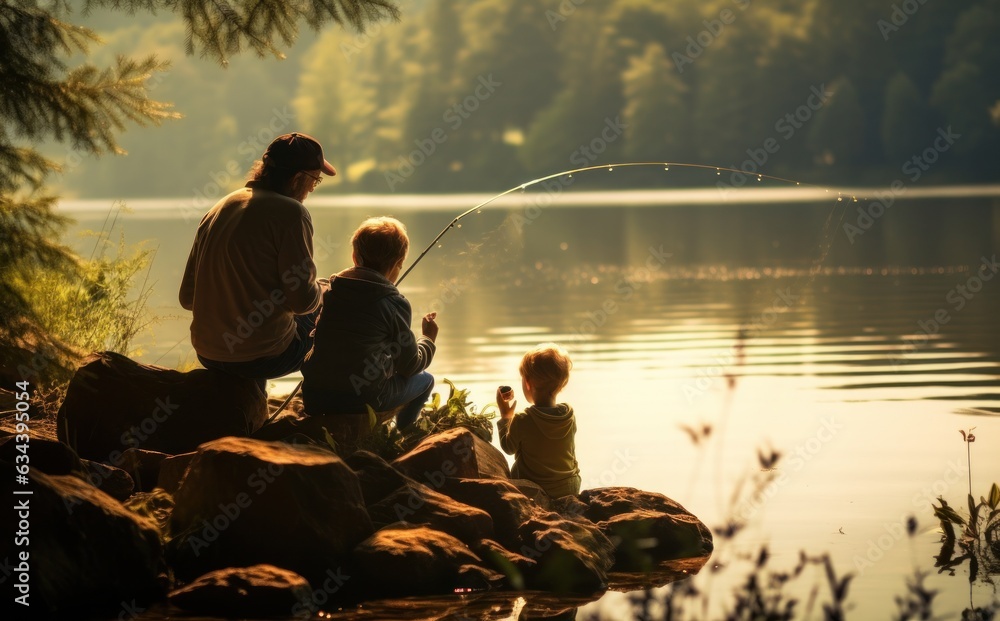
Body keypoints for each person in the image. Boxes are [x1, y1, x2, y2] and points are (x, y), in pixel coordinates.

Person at [179, 132, 336, 382]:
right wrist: (324, 291)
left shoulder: (220, 207)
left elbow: (187, 298)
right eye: (314, 181)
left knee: (269, 319)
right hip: (262, 358)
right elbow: (303, 302)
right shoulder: (292, 214)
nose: (312, 189)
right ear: (297, 179)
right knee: (333, 312)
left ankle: (251, 403)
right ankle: (325, 403)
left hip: (207, 353)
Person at [300, 216, 438, 428]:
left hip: (314, 397)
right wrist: (427, 339)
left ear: (355, 257)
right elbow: (410, 365)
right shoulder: (395, 304)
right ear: (399, 263)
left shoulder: (330, 291)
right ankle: (405, 437)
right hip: (361, 400)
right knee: (425, 380)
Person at [496, 343, 581, 498]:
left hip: (535, 489)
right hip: (569, 487)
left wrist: (505, 417)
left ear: (528, 383)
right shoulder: (569, 415)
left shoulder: (523, 419)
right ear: (562, 385)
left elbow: (508, 448)